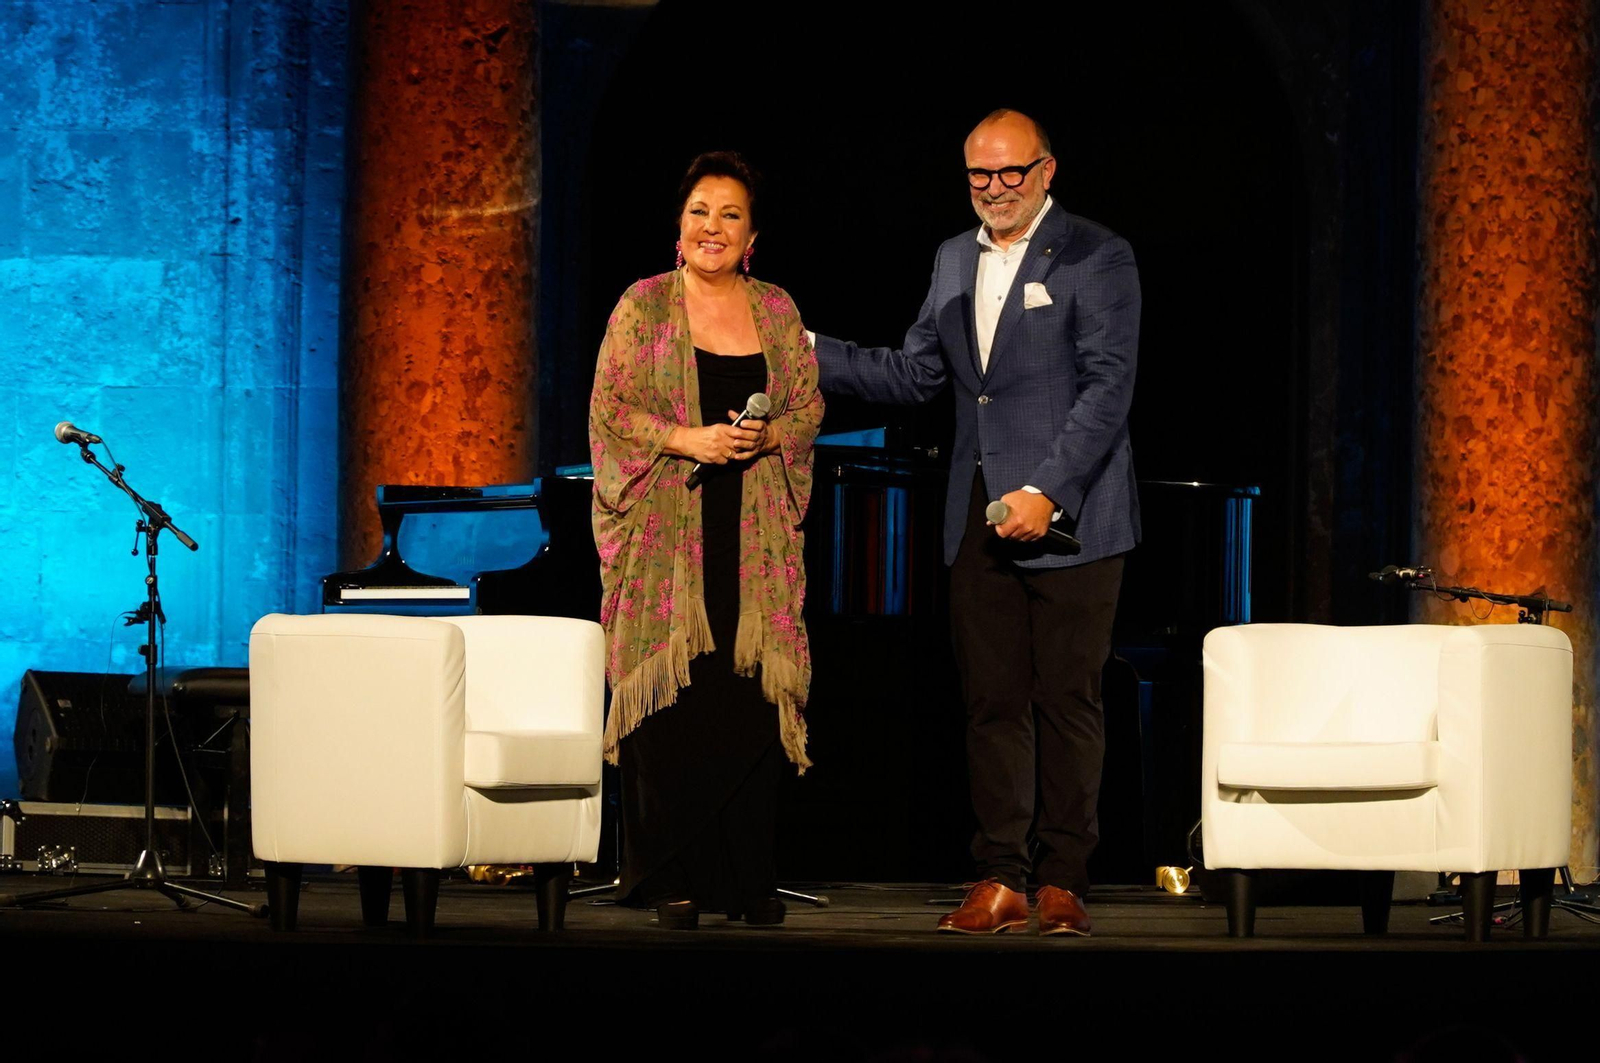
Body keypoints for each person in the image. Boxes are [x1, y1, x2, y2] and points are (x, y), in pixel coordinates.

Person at [810, 109, 1140, 936]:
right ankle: (1001, 876)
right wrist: (803, 345)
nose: (995, 188)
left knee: (1067, 699)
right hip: (977, 514)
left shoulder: (1098, 254)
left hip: (1075, 517)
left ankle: (1064, 879)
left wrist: (1047, 490)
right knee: (991, 703)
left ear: (1046, 171)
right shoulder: (954, 257)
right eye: (979, 175)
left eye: (1010, 172)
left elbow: (1108, 388)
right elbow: (917, 373)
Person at [588, 150, 823, 930]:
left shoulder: (778, 311)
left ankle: (747, 876)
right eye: (699, 212)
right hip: (666, 541)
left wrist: (767, 436)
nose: (712, 227)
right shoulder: (642, 306)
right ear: (679, 226)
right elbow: (611, 410)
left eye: (730, 215)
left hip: (753, 541)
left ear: (752, 236)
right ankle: (672, 877)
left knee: (746, 698)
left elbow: (807, 407)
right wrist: (688, 438)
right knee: (675, 703)